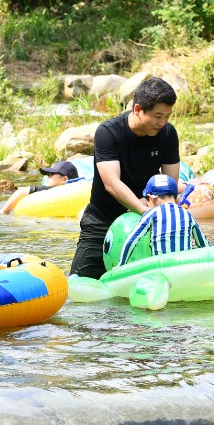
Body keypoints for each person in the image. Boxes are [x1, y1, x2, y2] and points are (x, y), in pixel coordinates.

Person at [69, 77, 181, 280]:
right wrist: (144, 211)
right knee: (81, 285)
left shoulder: (167, 134)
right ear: (138, 109)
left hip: (145, 221)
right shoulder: (108, 133)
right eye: (158, 116)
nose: (162, 122)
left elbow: (169, 185)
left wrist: (159, 213)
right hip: (103, 220)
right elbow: (112, 183)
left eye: (167, 116)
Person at [114, 174, 207, 267]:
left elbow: (131, 240)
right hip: (185, 266)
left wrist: (121, 264)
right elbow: (203, 243)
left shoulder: (151, 214)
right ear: (175, 197)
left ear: (151, 197)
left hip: (162, 268)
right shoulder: (187, 214)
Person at [0, 160, 77, 215]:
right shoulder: (76, 190)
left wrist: (4, 211)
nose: (47, 177)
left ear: (64, 179)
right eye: (48, 174)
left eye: (51, 174)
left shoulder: (52, 189)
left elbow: (21, 191)